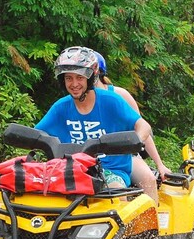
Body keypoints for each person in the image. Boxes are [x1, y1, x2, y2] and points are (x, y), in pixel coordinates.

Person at [35, 46, 154, 198]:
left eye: (80, 77)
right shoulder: (60, 107)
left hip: (110, 171)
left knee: (115, 194)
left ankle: (150, 219)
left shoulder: (111, 101)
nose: (74, 83)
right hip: (71, 171)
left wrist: (136, 139)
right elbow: (38, 133)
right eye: (68, 78)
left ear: (90, 78)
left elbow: (143, 125)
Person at [93, 51, 171, 200]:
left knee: (148, 179)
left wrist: (160, 164)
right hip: (90, 155)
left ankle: (152, 220)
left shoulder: (120, 95)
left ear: (99, 74)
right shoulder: (76, 100)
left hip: (123, 154)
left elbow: (142, 129)